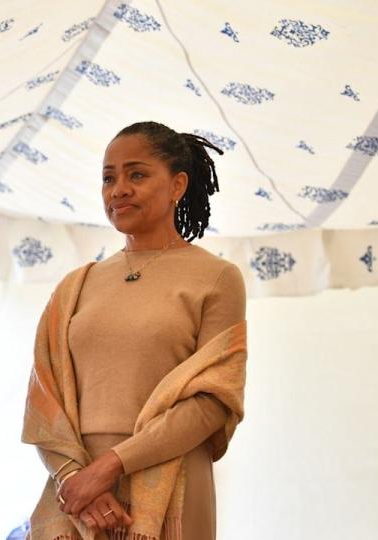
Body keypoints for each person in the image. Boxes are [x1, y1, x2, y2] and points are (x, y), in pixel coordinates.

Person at [22, 121, 248, 540]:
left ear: (177, 184)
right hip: (77, 494)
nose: (119, 189)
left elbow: (215, 400)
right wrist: (76, 479)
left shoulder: (217, 277)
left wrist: (107, 468)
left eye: (137, 174)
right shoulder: (76, 285)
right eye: (109, 177)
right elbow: (44, 399)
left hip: (173, 481)